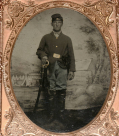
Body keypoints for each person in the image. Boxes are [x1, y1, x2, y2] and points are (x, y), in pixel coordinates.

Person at [36, 13, 76, 123]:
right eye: (55, 22)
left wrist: (72, 70)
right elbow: (39, 50)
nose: (57, 24)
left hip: (63, 66)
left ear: (62, 24)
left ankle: (61, 114)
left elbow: (72, 55)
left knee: (62, 89)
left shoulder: (67, 39)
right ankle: (51, 114)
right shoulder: (46, 37)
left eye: (59, 22)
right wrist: (43, 55)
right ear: (51, 23)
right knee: (51, 90)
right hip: (50, 66)